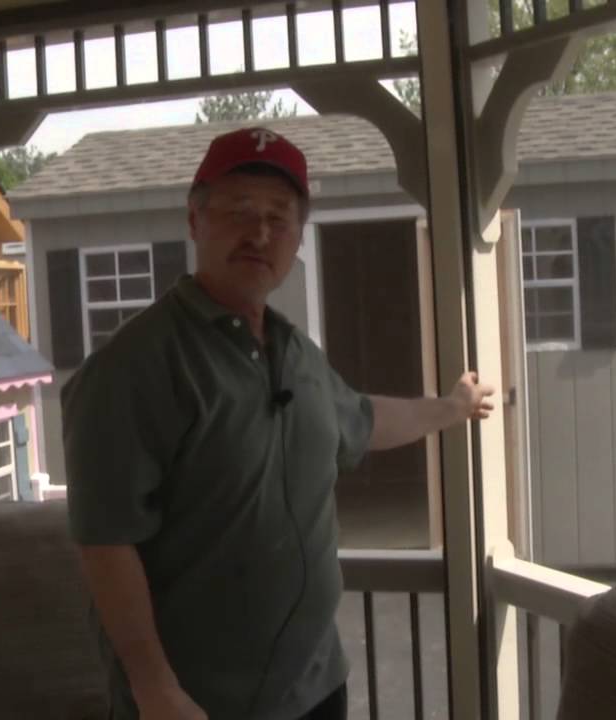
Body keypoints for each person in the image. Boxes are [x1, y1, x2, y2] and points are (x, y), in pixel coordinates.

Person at [61, 126, 496, 720]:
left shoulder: (296, 355)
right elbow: (106, 543)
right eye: (239, 211)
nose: (260, 232)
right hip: (199, 704)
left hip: (316, 688)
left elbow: (364, 420)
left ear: (296, 239)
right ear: (195, 220)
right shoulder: (132, 369)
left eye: (279, 217)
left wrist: (452, 408)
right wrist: (155, 688)